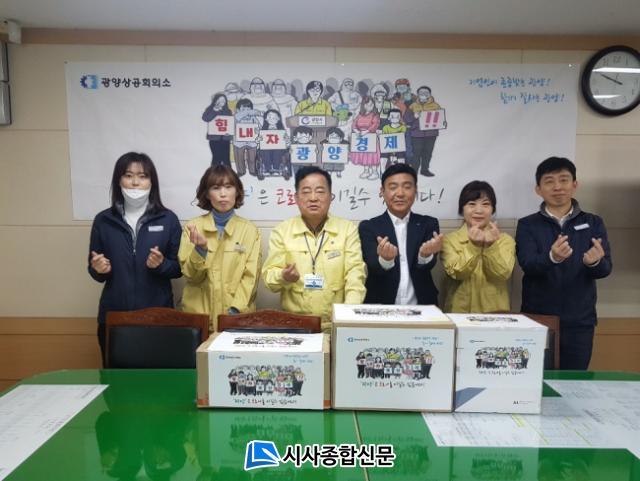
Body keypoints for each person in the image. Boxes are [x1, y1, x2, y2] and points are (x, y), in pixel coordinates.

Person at [516, 157, 612, 370]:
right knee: (536, 379)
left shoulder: (593, 222)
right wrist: (552, 257)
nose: (557, 187)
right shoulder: (528, 225)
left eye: (564, 180)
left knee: (574, 382)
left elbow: (606, 268)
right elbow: (527, 264)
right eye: (549, 181)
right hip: (538, 319)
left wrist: (595, 262)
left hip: (580, 322)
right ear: (538, 189)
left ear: (574, 185)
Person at [88, 152, 182, 363]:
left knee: (158, 379)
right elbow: (94, 269)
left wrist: (161, 265)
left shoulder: (168, 219)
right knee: (116, 379)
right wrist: (99, 269)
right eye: (128, 175)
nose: (135, 182)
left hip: (158, 317)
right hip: (114, 317)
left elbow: (179, 268)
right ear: (118, 180)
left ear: (152, 182)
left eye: (142, 176)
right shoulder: (104, 220)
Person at [261, 166, 366, 331]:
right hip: (295, 326)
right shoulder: (282, 231)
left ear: (330, 197)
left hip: (336, 324)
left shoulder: (347, 230)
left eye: (320, 191)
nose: (313, 198)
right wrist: (283, 276)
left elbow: (355, 274)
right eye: (306, 192)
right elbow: (269, 280)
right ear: (296, 198)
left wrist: (348, 317)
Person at [178, 165, 261, 332]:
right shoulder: (193, 227)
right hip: (199, 319)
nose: (223, 194)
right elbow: (191, 276)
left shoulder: (250, 230)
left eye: (228, 187)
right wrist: (200, 250)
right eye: (216, 188)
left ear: (237, 192)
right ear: (207, 194)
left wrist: (234, 311)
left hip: (236, 319)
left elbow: (251, 277)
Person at [359, 164, 442, 306]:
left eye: (407, 187)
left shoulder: (428, 224)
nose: (400, 193)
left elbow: (428, 266)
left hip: (422, 307)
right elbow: (373, 266)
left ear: (415, 190)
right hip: (380, 307)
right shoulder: (369, 226)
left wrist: (425, 255)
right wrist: (386, 259)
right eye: (393, 187)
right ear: (382, 191)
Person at [441, 180, 515, 313]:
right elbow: (457, 273)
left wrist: (491, 247)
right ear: (462, 209)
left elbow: (502, 274)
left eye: (486, 204)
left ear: (493, 210)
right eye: (471, 204)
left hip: (495, 314)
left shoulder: (505, 240)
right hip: (459, 313)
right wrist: (473, 246)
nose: (479, 210)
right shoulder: (449, 240)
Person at [405, 85, 443, 177]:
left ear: (430, 94)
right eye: (421, 92)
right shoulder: (413, 106)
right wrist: (414, 116)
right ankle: (414, 171)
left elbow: (441, 119)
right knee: (416, 154)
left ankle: (424, 170)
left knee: (428, 153)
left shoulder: (436, 106)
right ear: (418, 94)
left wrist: (443, 123)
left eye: (426, 92)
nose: (423, 94)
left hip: (431, 134)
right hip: (416, 134)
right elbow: (406, 119)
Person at [201, 92, 232, 167]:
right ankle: (214, 173)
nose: (222, 102)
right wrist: (214, 110)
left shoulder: (228, 111)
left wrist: (229, 133)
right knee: (216, 158)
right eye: (220, 100)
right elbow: (205, 118)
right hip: (214, 139)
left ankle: (228, 173)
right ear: (215, 101)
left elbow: (230, 123)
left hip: (225, 138)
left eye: (224, 100)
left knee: (226, 159)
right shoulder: (210, 109)